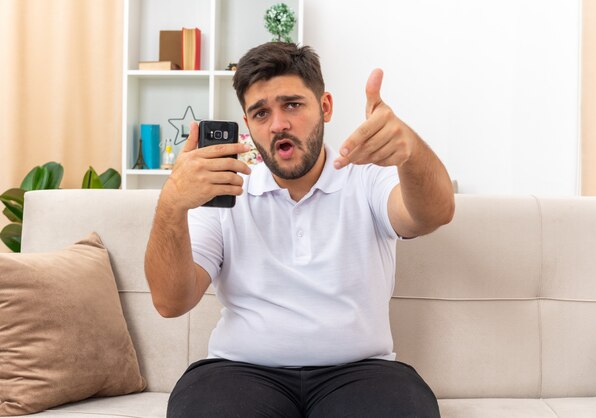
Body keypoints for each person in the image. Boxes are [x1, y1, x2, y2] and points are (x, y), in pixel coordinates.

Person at [145, 42, 455, 418]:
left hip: (362, 374)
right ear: (248, 126)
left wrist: (411, 152)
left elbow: (433, 214)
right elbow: (170, 302)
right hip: (238, 373)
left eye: (292, 104)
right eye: (261, 113)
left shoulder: (368, 178)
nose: (278, 124)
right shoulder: (223, 191)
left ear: (324, 106)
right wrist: (170, 205)